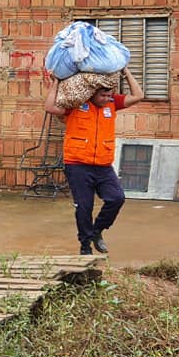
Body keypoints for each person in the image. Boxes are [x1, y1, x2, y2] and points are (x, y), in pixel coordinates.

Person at [44, 66, 145, 255]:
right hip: (77, 165)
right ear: (92, 93)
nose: (107, 99)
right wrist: (56, 82)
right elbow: (50, 107)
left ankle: (97, 231)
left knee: (117, 198)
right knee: (84, 207)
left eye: (109, 95)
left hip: (103, 165)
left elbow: (138, 95)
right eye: (103, 96)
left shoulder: (112, 104)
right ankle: (85, 247)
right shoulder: (76, 103)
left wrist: (126, 72)